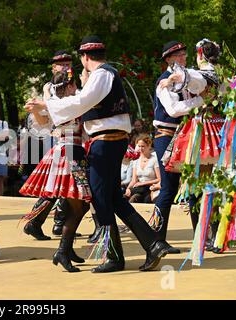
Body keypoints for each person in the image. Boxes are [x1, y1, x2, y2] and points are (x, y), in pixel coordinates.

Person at [26, 35, 172, 272]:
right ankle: (152, 244)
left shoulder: (103, 74)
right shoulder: (103, 75)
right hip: (107, 142)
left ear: (85, 57)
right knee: (112, 198)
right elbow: (79, 104)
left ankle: (118, 255)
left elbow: (82, 101)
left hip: (106, 142)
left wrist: (46, 104)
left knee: (99, 198)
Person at [20, 68, 91, 272]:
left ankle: (66, 249)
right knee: (79, 206)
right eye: (74, 84)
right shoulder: (68, 104)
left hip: (67, 152)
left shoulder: (60, 105)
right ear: (68, 86)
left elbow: (44, 124)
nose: (77, 87)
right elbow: (44, 124)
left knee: (78, 205)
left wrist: (37, 109)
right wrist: (35, 110)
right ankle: (62, 250)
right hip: (70, 153)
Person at [150, 40, 208, 253]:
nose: (184, 57)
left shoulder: (187, 78)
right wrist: (201, 100)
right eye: (178, 55)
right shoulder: (164, 81)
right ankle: (155, 239)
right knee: (168, 188)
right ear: (168, 60)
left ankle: (202, 236)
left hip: (187, 136)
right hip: (167, 136)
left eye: (184, 53)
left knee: (194, 186)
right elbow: (173, 109)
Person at [125, 134, 160, 203]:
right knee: (135, 197)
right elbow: (134, 180)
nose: (140, 148)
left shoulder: (154, 160)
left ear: (149, 146)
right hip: (140, 189)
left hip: (151, 187)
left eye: (143, 146)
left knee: (146, 199)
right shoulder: (136, 161)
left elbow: (159, 178)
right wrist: (128, 188)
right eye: (139, 146)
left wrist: (143, 183)